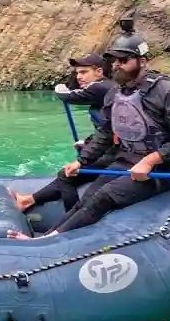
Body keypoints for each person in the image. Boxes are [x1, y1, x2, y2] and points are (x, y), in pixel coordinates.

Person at [9, 33, 170, 239]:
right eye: (114, 61)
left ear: (142, 61)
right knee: (88, 198)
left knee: (103, 196)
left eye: (124, 60)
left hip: (160, 169)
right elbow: (105, 134)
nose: (117, 65)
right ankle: (48, 235)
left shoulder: (168, 92)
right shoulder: (115, 94)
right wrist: (81, 161)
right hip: (126, 160)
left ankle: (47, 240)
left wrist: (150, 161)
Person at [9, 53, 118, 212]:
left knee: (66, 176)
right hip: (111, 148)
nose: (79, 77)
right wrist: (87, 142)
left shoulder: (100, 87)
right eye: (77, 73)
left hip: (117, 153)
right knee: (67, 174)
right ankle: (28, 200)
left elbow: (68, 97)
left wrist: (60, 90)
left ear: (99, 72)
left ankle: (73, 214)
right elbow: (107, 128)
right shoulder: (108, 87)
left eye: (84, 72)